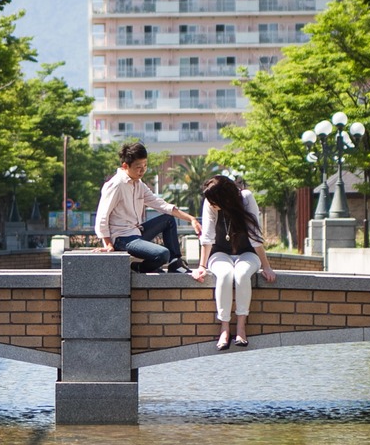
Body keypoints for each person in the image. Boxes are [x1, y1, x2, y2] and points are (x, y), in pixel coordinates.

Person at [191, 174, 276, 349]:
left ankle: (241, 327)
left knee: (242, 274)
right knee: (224, 274)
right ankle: (224, 328)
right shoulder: (210, 203)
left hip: (247, 252)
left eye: (215, 201)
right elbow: (207, 237)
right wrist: (201, 266)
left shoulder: (246, 198)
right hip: (220, 252)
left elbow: (255, 237)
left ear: (225, 197)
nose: (212, 204)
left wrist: (266, 266)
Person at [95, 142, 200, 273]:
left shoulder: (139, 184)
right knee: (162, 254)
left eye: (145, 165)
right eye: (138, 167)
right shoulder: (116, 185)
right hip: (122, 239)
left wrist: (191, 219)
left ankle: (175, 263)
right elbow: (102, 217)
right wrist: (108, 244)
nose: (143, 170)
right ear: (125, 166)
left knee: (168, 220)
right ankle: (137, 267)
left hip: (137, 232)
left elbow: (160, 204)